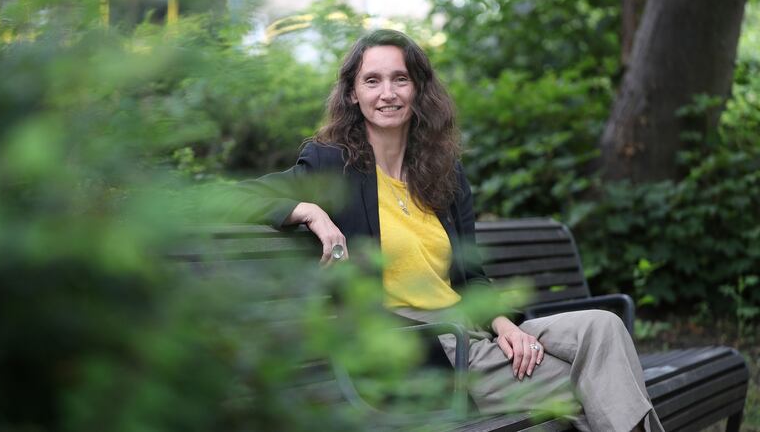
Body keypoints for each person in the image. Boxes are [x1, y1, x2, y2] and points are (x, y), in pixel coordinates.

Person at [234, 29, 663, 432]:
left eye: (400, 79)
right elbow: (223, 197)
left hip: (474, 333)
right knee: (604, 380)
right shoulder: (331, 165)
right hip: (424, 350)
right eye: (372, 81)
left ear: (418, 88)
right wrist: (307, 209)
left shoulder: (443, 173)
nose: (387, 93)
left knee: (604, 328)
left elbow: (470, 277)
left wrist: (505, 325)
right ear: (352, 93)